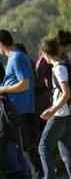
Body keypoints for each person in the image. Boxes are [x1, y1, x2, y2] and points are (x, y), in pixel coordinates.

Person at [37, 38, 71, 179]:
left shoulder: (58, 68)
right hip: (69, 116)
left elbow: (66, 93)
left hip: (59, 117)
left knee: (43, 148)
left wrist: (52, 110)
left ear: (45, 53)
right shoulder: (63, 65)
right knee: (68, 153)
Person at [0, 30, 42, 178]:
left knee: (25, 148)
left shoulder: (16, 58)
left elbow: (24, 84)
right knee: (20, 146)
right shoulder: (16, 57)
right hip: (18, 110)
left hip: (20, 111)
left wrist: (3, 89)